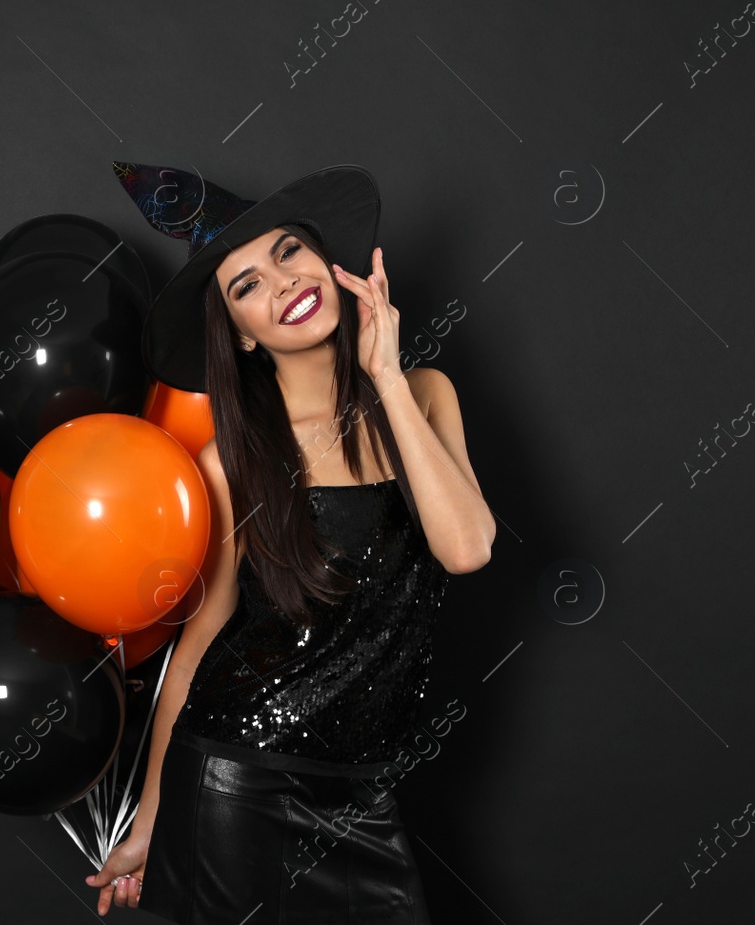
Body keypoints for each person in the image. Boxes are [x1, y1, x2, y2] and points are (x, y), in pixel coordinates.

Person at [84, 162, 494, 922]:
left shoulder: (426, 394)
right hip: (239, 785)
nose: (280, 283)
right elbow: (198, 643)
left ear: (327, 262)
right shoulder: (230, 464)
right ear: (240, 333)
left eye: (287, 253)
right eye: (246, 286)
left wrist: (389, 379)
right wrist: (148, 821)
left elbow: (466, 547)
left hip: (364, 791)